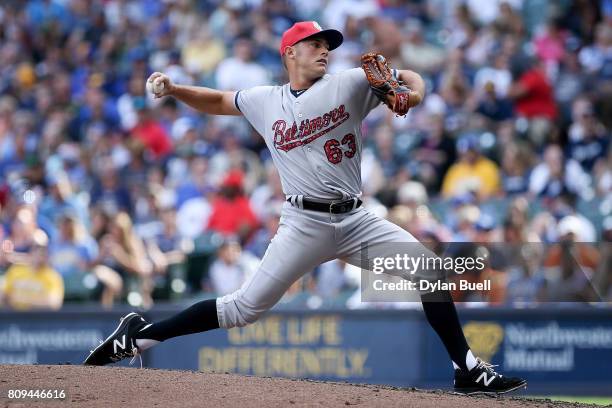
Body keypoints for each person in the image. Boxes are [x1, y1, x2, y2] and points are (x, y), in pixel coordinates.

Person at [84, 21, 526, 395]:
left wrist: (414, 94)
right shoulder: (265, 100)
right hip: (303, 223)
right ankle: (137, 336)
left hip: (356, 220)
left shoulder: (350, 82)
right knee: (243, 309)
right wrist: (176, 89)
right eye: (315, 45)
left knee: (428, 271)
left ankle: (466, 369)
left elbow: (410, 78)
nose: (325, 52)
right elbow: (219, 101)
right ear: (289, 53)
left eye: (328, 46)